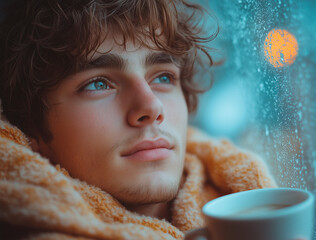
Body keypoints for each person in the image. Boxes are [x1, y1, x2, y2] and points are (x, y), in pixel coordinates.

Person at [0, 0, 276, 239]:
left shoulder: (247, 208)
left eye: (163, 77)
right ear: (31, 125)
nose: (151, 106)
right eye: (98, 84)